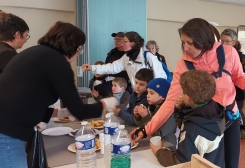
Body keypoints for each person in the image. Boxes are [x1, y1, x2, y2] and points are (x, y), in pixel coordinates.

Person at [131, 18, 245, 168]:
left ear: (204, 40)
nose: (185, 48)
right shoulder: (183, 65)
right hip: (203, 124)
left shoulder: (229, 53)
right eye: (183, 42)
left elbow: (238, 76)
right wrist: (146, 129)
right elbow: (170, 101)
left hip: (229, 118)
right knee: (207, 165)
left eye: (190, 43)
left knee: (232, 164)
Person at [0, 21, 114, 167]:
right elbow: (80, 110)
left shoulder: (35, 52)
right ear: (72, 46)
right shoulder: (58, 62)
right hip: (6, 131)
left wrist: (60, 113)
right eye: (79, 48)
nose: (78, 53)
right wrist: (106, 104)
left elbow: (28, 102)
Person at [150, 70, 225, 167]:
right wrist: (180, 109)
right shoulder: (216, 111)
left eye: (181, 90)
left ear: (187, 97)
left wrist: (158, 152)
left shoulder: (192, 130)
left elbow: (181, 162)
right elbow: (188, 122)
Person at [82, 31, 167, 90]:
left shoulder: (148, 56)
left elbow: (161, 77)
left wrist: (153, 94)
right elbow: (112, 67)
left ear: (132, 43)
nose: (122, 44)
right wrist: (92, 67)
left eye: (124, 41)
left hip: (150, 95)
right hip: (137, 94)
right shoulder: (126, 57)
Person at [221, 29, 245, 139]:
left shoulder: (241, 57)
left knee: (237, 112)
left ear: (234, 42)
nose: (224, 44)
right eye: (222, 41)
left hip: (238, 91)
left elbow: (241, 76)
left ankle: (241, 128)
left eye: (227, 41)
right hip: (224, 94)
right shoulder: (217, 54)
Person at [135, 78, 177, 146]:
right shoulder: (153, 107)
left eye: (151, 93)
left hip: (167, 146)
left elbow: (157, 134)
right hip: (155, 144)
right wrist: (138, 117)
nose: (147, 96)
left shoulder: (171, 113)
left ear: (163, 96)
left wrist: (145, 117)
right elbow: (145, 129)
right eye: (147, 92)